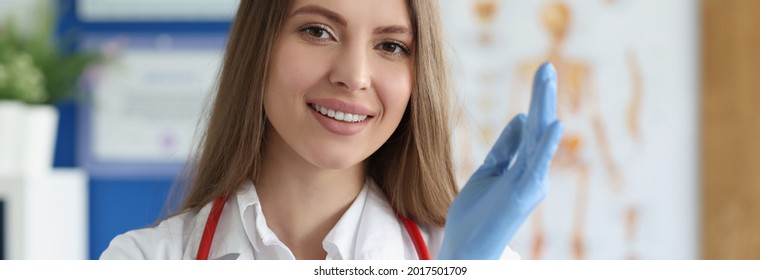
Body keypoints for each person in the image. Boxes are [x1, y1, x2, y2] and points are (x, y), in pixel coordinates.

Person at [100, 0, 562, 260]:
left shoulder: (472, 260)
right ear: (258, 48)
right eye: (318, 31)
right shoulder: (142, 261)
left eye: (391, 45)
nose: (355, 75)